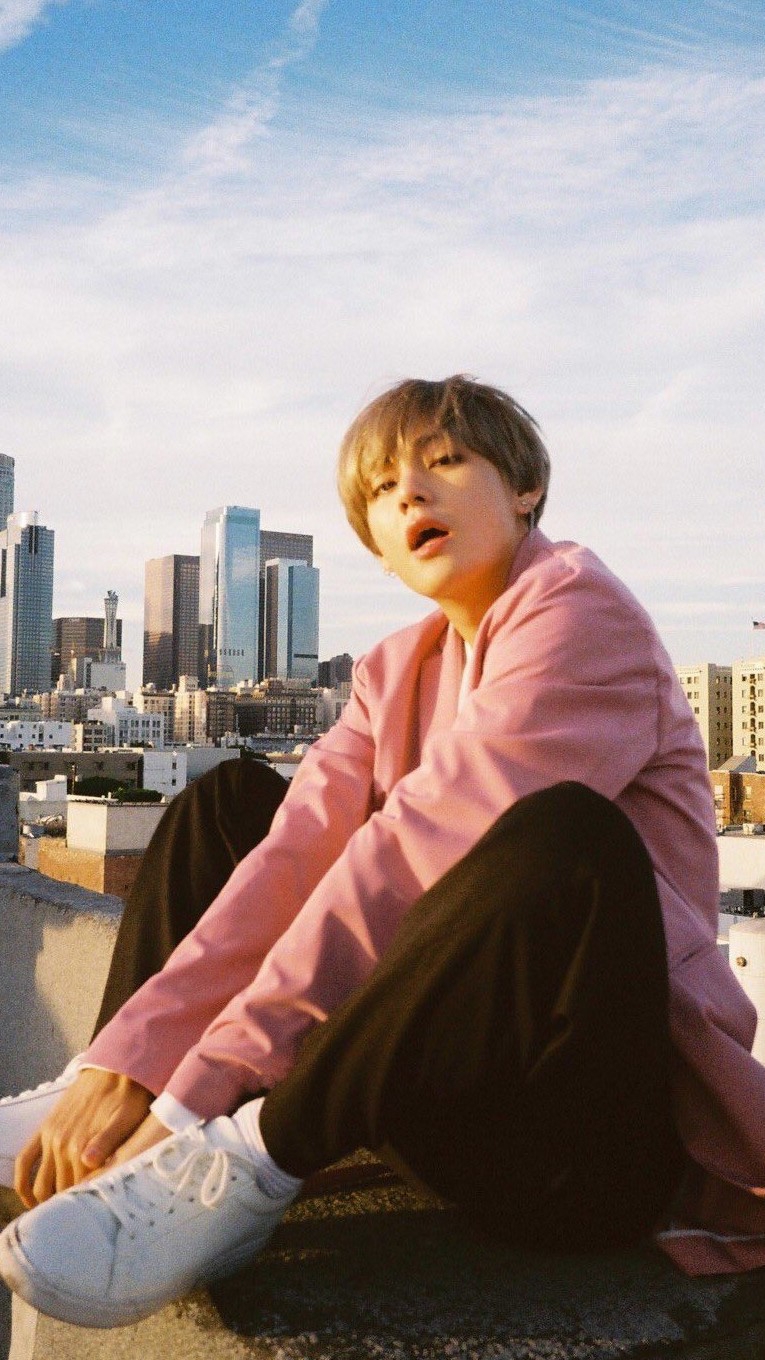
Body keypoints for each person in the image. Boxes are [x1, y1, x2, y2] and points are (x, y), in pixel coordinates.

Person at [0, 375, 763, 1329]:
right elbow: (292, 860)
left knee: (563, 836)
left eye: (445, 462)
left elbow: (409, 859)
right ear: (376, 546)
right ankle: (107, 1114)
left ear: (525, 489)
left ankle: (240, 1164)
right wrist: (135, 1064)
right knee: (229, 803)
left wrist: (197, 1094)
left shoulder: (580, 614)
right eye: (381, 489)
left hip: (581, 1146)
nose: (411, 494)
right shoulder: (394, 668)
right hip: (432, 1103)